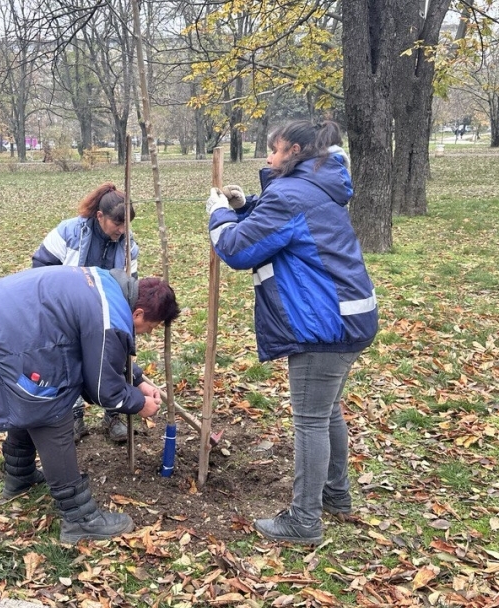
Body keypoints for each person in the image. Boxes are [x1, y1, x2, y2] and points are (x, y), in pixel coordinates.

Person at [205, 119, 378, 545]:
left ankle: (304, 521)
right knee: (327, 412)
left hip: (324, 325)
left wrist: (219, 216)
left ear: (295, 151)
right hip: (351, 316)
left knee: (310, 421)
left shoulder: (291, 194)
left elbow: (238, 249)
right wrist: (245, 206)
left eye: (275, 149)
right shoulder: (317, 185)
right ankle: (336, 496)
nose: (268, 157)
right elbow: (274, 222)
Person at [0, 265, 179, 543]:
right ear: (139, 314)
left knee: (30, 399)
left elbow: (96, 353)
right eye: (151, 328)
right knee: (51, 410)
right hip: (2, 331)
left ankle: (20, 475)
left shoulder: (108, 286)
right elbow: (103, 390)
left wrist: (136, 380)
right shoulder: (111, 317)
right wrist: (138, 404)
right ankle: (79, 519)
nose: (146, 334)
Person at [32, 183, 140, 443]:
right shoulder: (69, 232)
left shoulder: (128, 246)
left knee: (114, 356)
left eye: (127, 224)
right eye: (118, 223)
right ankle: (74, 414)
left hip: (107, 312)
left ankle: (113, 414)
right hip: (68, 311)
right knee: (69, 359)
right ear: (100, 217)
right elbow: (40, 265)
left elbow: (131, 285)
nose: (123, 230)